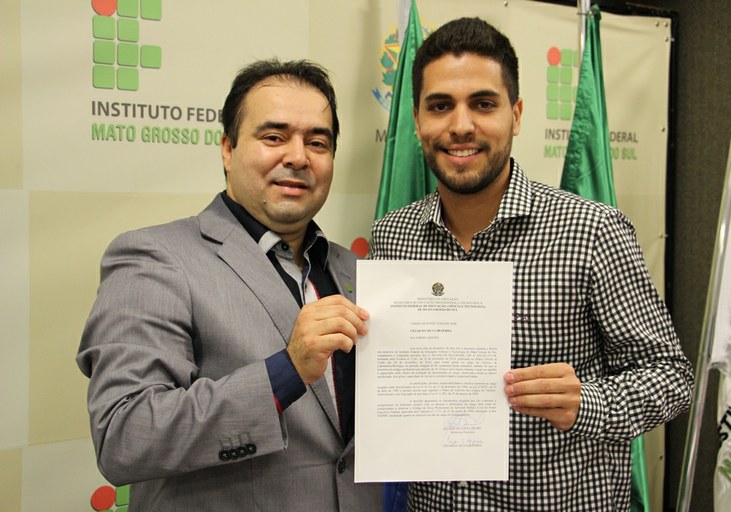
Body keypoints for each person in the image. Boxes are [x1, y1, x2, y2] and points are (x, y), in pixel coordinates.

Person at [369, 17, 693, 511]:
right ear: (416, 120)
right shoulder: (394, 235)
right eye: (440, 106)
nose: (460, 125)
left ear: (516, 115)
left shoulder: (592, 231)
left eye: (483, 104)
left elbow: (671, 377)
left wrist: (588, 404)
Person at [77, 59, 382, 511]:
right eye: (274, 136)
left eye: (317, 141)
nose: (298, 156)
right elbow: (126, 435)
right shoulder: (155, 258)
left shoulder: (357, 271)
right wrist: (286, 370)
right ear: (227, 148)